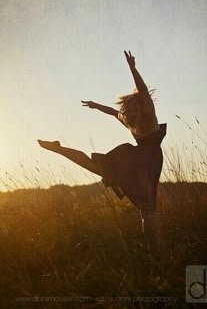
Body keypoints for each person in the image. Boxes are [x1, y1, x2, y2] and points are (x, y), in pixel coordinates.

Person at [38, 51, 167, 255]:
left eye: (130, 110)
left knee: (94, 166)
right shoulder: (144, 118)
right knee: (147, 211)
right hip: (145, 162)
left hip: (132, 158)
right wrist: (131, 69)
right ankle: (155, 252)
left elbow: (123, 105)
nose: (127, 114)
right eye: (129, 111)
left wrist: (98, 104)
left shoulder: (137, 118)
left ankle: (59, 148)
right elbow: (132, 100)